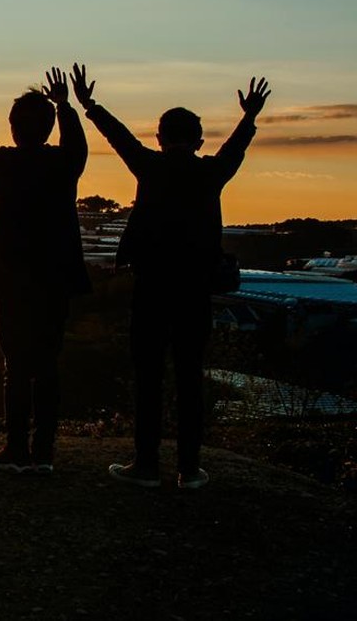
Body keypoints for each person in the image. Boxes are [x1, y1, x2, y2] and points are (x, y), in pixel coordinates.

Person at [72, 64, 271, 490]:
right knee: (189, 377)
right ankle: (189, 467)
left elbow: (119, 137)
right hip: (195, 289)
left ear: (159, 138)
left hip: (151, 287)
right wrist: (249, 117)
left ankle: (145, 464)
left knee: (148, 377)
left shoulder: (150, 166)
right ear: (199, 140)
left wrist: (90, 105)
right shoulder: (210, 172)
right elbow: (235, 148)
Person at [0, 66, 90, 475]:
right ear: (49, 127)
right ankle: (45, 451)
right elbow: (78, 146)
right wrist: (66, 106)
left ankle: (16, 448)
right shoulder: (64, 164)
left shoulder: (2, 165)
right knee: (48, 363)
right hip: (55, 279)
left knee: (15, 366)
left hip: (11, 281)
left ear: (14, 128)